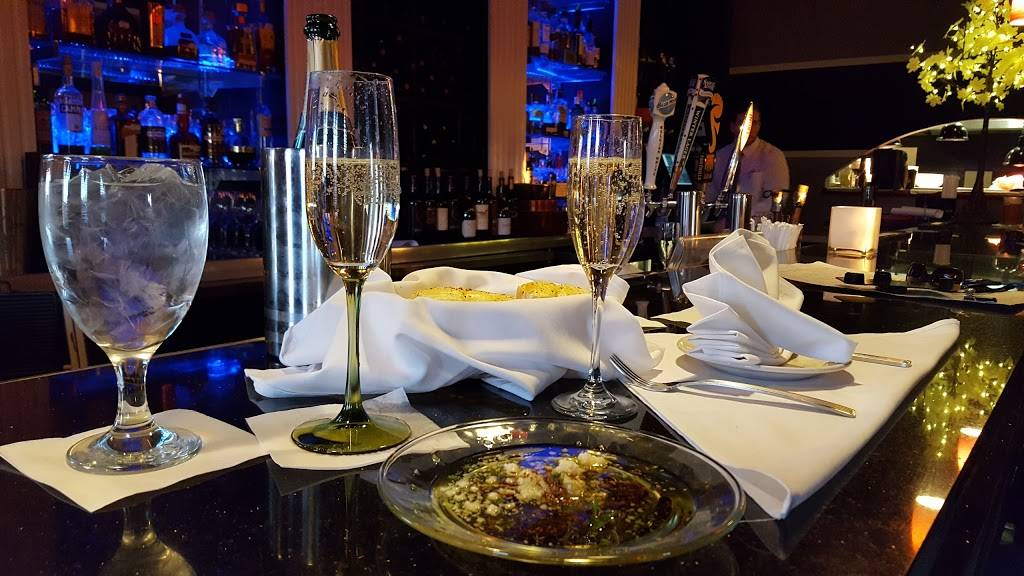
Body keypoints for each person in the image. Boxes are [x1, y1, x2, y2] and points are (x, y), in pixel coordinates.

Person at [708, 105, 790, 219]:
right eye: (743, 123)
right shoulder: (721, 156)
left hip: (758, 222)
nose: (749, 128)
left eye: (754, 123)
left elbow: (777, 199)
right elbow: (711, 194)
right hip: (723, 222)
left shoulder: (773, 155)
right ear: (732, 126)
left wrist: (741, 215)